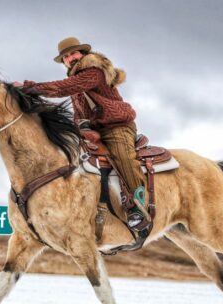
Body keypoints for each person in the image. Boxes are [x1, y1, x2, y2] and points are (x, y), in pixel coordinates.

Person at [18, 37, 148, 231]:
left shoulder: (94, 71)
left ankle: (138, 207)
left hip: (117, 126)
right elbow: (79, 112)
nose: (70, 58)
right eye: (66, 56)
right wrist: (80, 128)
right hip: (94, 131)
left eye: (73, 53)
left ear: (83, 54)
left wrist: (31, 87)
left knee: (123, 157)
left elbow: (64, 87)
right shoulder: (77, 80)